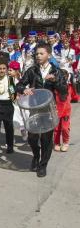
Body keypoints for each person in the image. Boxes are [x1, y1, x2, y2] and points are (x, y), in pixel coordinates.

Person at [16, 42, 67, 177]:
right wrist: (24, 89)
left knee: (46, 139)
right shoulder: (32, 70)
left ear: (48, 55)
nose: (38, 56)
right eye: (36, 53)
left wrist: (55, 80)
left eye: (41, 53)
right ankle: (36, 155)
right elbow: (19, 85)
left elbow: (64, 90)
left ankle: (43, 165)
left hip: (49, 109)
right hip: (34, 108)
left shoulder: (56, 71)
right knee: (32, 137)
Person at [54, 67, 72, 152]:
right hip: (56, 111)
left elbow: (67, 100)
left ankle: (65, 142)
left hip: (65, 111)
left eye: (64, 76)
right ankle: (56, 142)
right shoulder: (54, 87)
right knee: (56, 128)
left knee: (65, 128)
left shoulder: (68, 87)